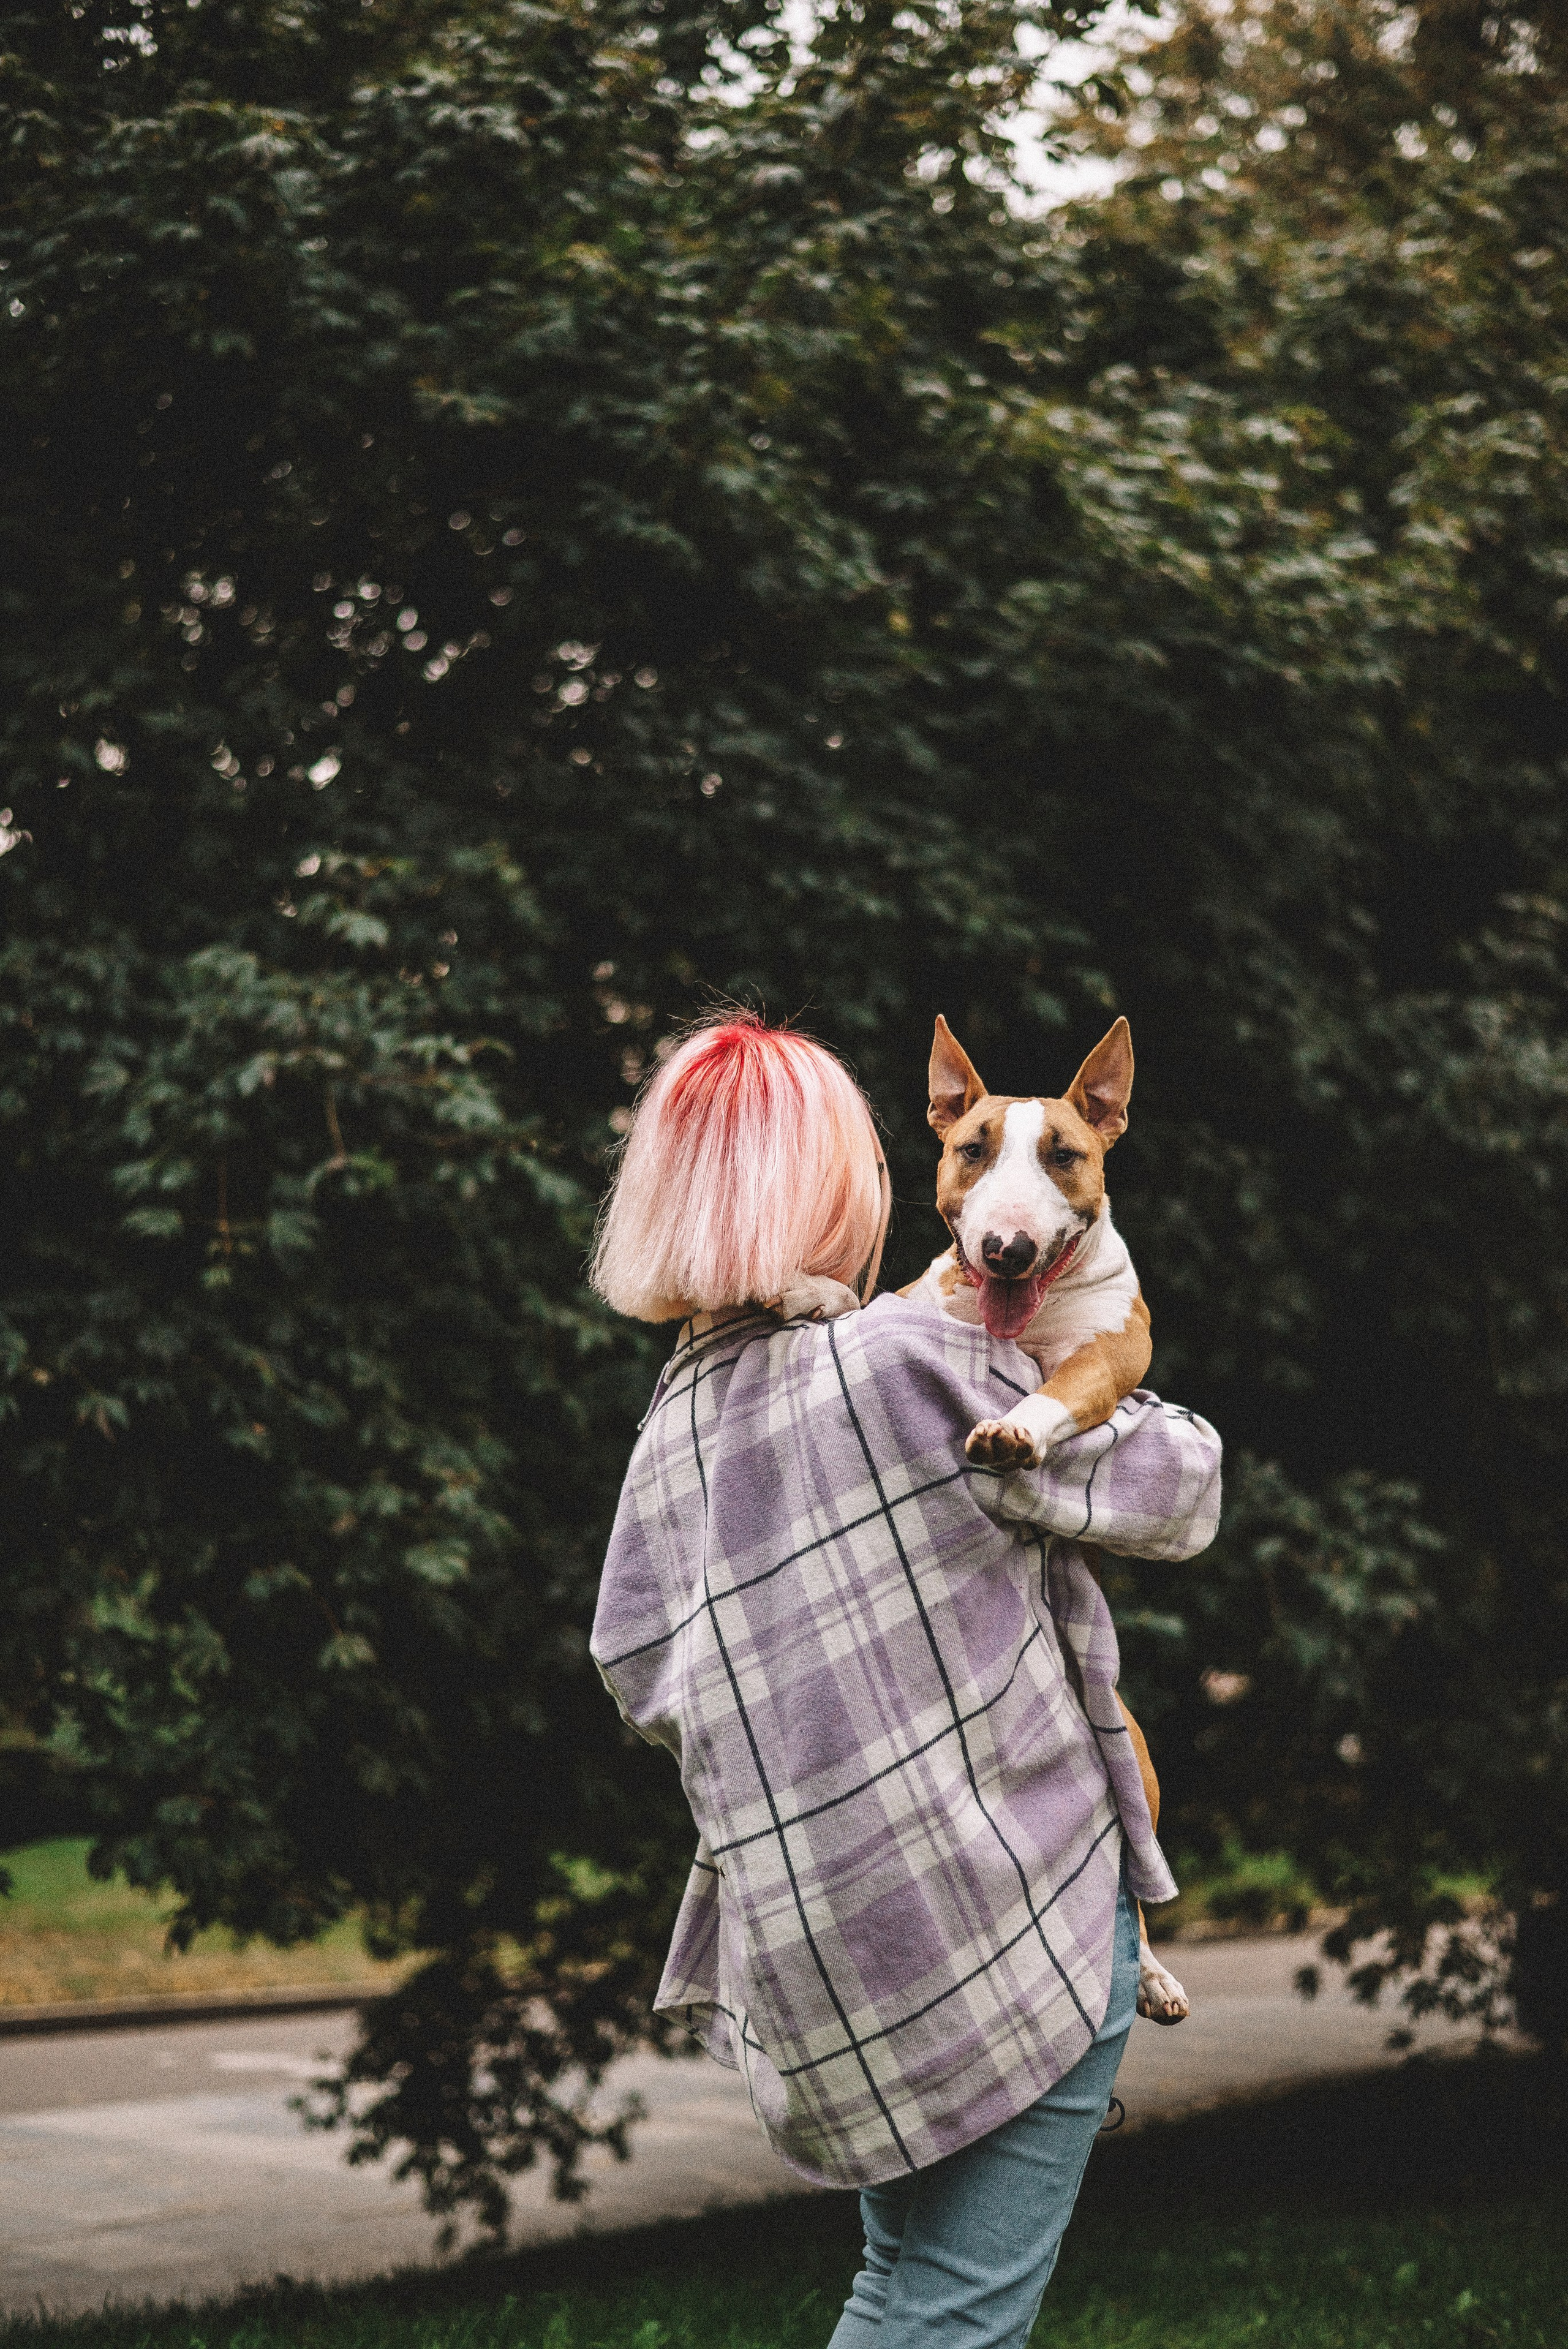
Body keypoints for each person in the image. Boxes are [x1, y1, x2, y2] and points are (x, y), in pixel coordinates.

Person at [590, 1012, 1221, 2349]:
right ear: (830, 1192)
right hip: (1011, 1924)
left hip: (827, 1946)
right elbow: (1181, 1487)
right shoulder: (911, 1358)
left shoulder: (672, 1425)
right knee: (951, 2316)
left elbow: (636, 1665)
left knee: (897, 2288)